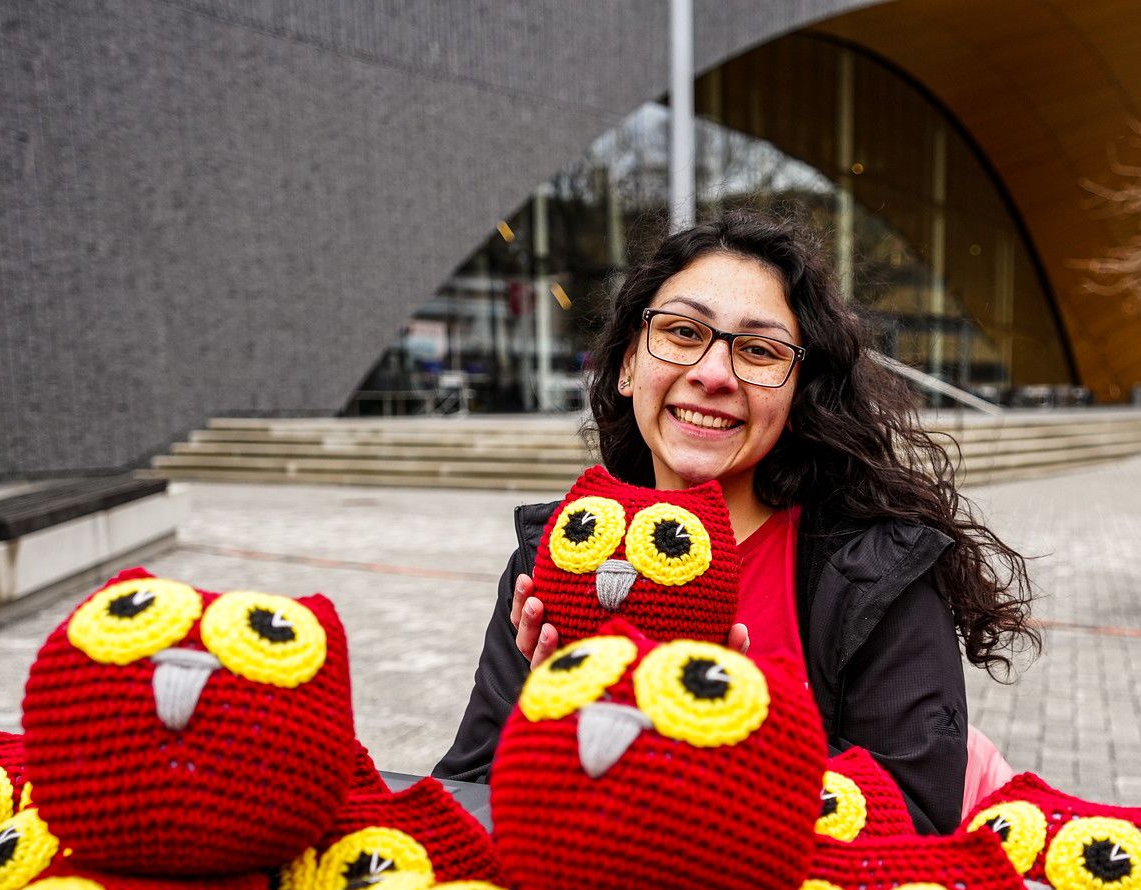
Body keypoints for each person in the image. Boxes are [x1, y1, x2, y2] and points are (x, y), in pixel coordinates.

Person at [433, 210, 1038, 833]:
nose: (713, 374)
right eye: (682, 332)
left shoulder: (878, 575)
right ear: (627, 365)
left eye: (758, 350)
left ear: (798, 394)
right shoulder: (561, 555)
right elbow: (467, 791)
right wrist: (553, 723)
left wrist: (720, 731)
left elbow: (915, 822)